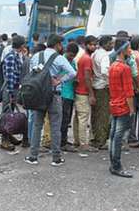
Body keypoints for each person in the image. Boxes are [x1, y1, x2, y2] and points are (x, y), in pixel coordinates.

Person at [25, 34, 77, 166]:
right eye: (61, 44)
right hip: (54, 95)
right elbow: (72, 73)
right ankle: (56, 158)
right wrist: (59, 79)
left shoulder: (37, 56)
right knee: (55, 126)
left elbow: (32, 72)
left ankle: (33, 156)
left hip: (38, 94)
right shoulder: (59, 58)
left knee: (37, 125)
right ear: (57, 45)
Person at [108, 38, 135, 178]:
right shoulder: (125, 68)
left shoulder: (112, 66)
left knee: (113, 136)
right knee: (118, 137)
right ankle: (117, 166)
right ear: (123, 50)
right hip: (123, 105)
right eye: (129, 48)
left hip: (114, 104)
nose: (130, 50)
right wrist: (132, 109)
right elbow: (129, 92)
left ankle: (113, 164)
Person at [0, 35, 28, 151]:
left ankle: (9, 136)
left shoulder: (18, 55)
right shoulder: (11, 57)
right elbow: (9, 76)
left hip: (14, 88)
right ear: (21, 46)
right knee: (6, 115)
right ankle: (4, 140)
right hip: (9, 89)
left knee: (10, 113)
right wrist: (11, 93)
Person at [74, 35, 98, 153]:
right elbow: (87, 77)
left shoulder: (83, 57)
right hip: (83, 91)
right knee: (83, 118)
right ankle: (83, 143)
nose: (93, 47)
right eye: (91, 44)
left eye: (95, 44)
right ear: (85, 45)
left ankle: (78, 140)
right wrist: (91, 94)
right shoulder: (87, 59)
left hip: (79, 90)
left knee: (78, 118)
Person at [90, 35, 113, 150]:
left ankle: (95, 138)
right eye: (110, 43)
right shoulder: (105, 56)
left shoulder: (95, 53)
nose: (112, 45)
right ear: (105, 44)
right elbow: (105, 71)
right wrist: (110, 80)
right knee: (103, 115)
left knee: (95, 114)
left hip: (95, 85)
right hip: (102, 87)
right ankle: (101, 140)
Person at [60, 42, 79, 152]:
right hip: (63, 93)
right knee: (63, 119)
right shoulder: (61, 60)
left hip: (70, 94)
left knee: (67, 120)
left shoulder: (73, 62)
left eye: (73, 56)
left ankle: (64, 139)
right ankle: (62, 143)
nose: (71, 57)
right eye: (70, 55)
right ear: (66, 52)